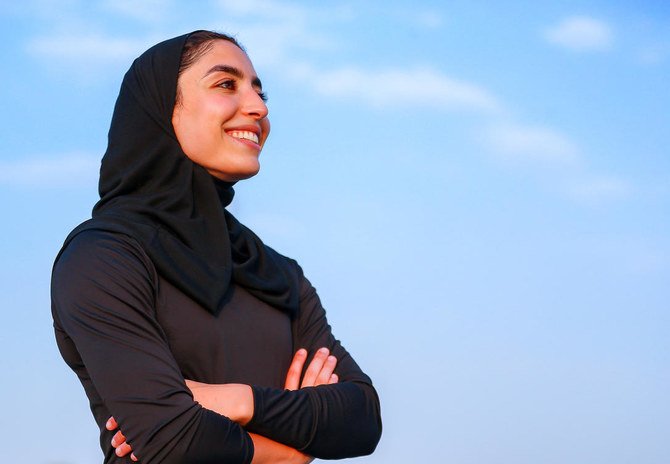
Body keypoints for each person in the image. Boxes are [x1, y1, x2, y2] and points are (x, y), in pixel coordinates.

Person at [51, 30, 382, 464]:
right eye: (226, 84)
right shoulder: (104, 257)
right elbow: (176, 442)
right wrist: (292, 454)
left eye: (260, 92)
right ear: (160, 110)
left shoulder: (276, 273)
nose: (259, 108)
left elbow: (362, 419)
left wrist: (238, 401)